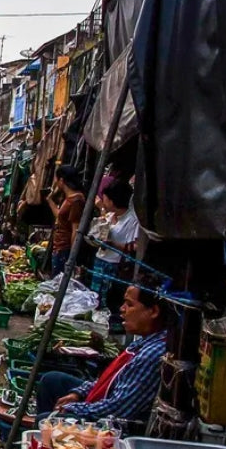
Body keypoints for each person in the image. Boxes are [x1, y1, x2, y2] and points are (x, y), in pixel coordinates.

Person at [35, 284, 172, 423]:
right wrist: (78, 393)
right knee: (52, 380)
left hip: (115, 422)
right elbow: (108, 380)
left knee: (45, 419)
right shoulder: (144, 341)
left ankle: (49, 428)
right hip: (110, 398)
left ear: (154, 311)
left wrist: (72, 408)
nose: (122, 308)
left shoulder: (152, 354)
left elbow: (118, 409)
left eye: (130, 304)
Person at [89, 181, 140, 313]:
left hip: (114, 266)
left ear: (113, 201)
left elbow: (135, 247)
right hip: (100, 261)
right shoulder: (110, 215)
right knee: (95, 300)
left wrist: (112, 244)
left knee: (108, 302)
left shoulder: (132, 220)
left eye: (105, 199)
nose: (103, 201)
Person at [46, 165, 86, 275]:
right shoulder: (69, 198)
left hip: (65, 248)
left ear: (61, 180)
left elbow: (75, 229)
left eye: (56, 179)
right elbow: (60, 216)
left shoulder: (76, 200)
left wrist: (73, 256)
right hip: (59, 246)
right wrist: (50, 200)